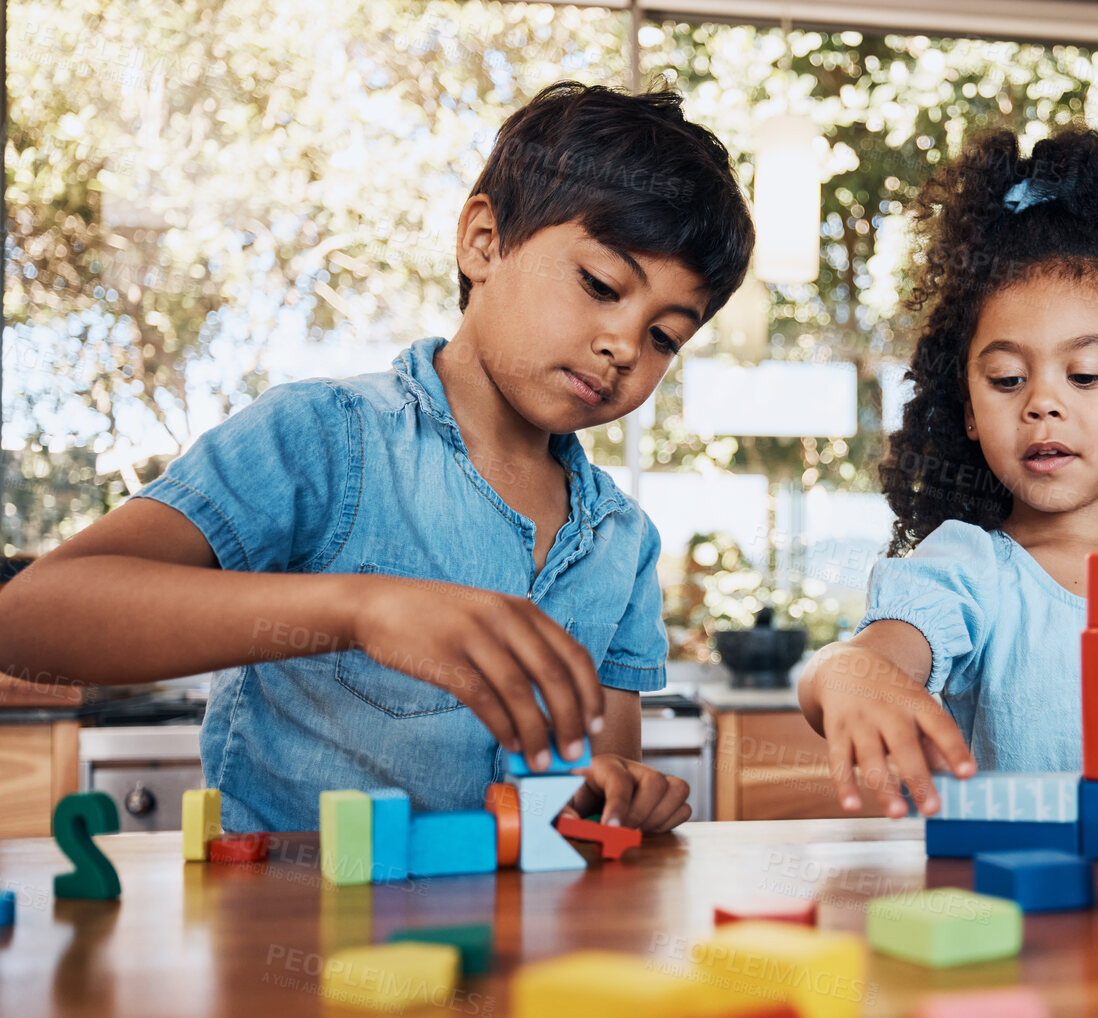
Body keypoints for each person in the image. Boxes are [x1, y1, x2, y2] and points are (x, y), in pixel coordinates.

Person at [0, 82, 753, 833]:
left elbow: (601, 789)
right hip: (293, 943)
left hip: (517, 949)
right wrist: (359, 609)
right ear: (483, 242)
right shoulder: (322, 438)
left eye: (665, 336)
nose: (625, 345)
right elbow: (28, 623)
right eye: (600, 284)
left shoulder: (622, 543)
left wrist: (622, 796)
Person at [798, 125, 1098, 817]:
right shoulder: (968, 566)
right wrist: (848, 670)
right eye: (1005, 378)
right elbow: (872, 654)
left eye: (1085, 373)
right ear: (966, 408)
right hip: (1026, 914)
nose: (1043, 403)